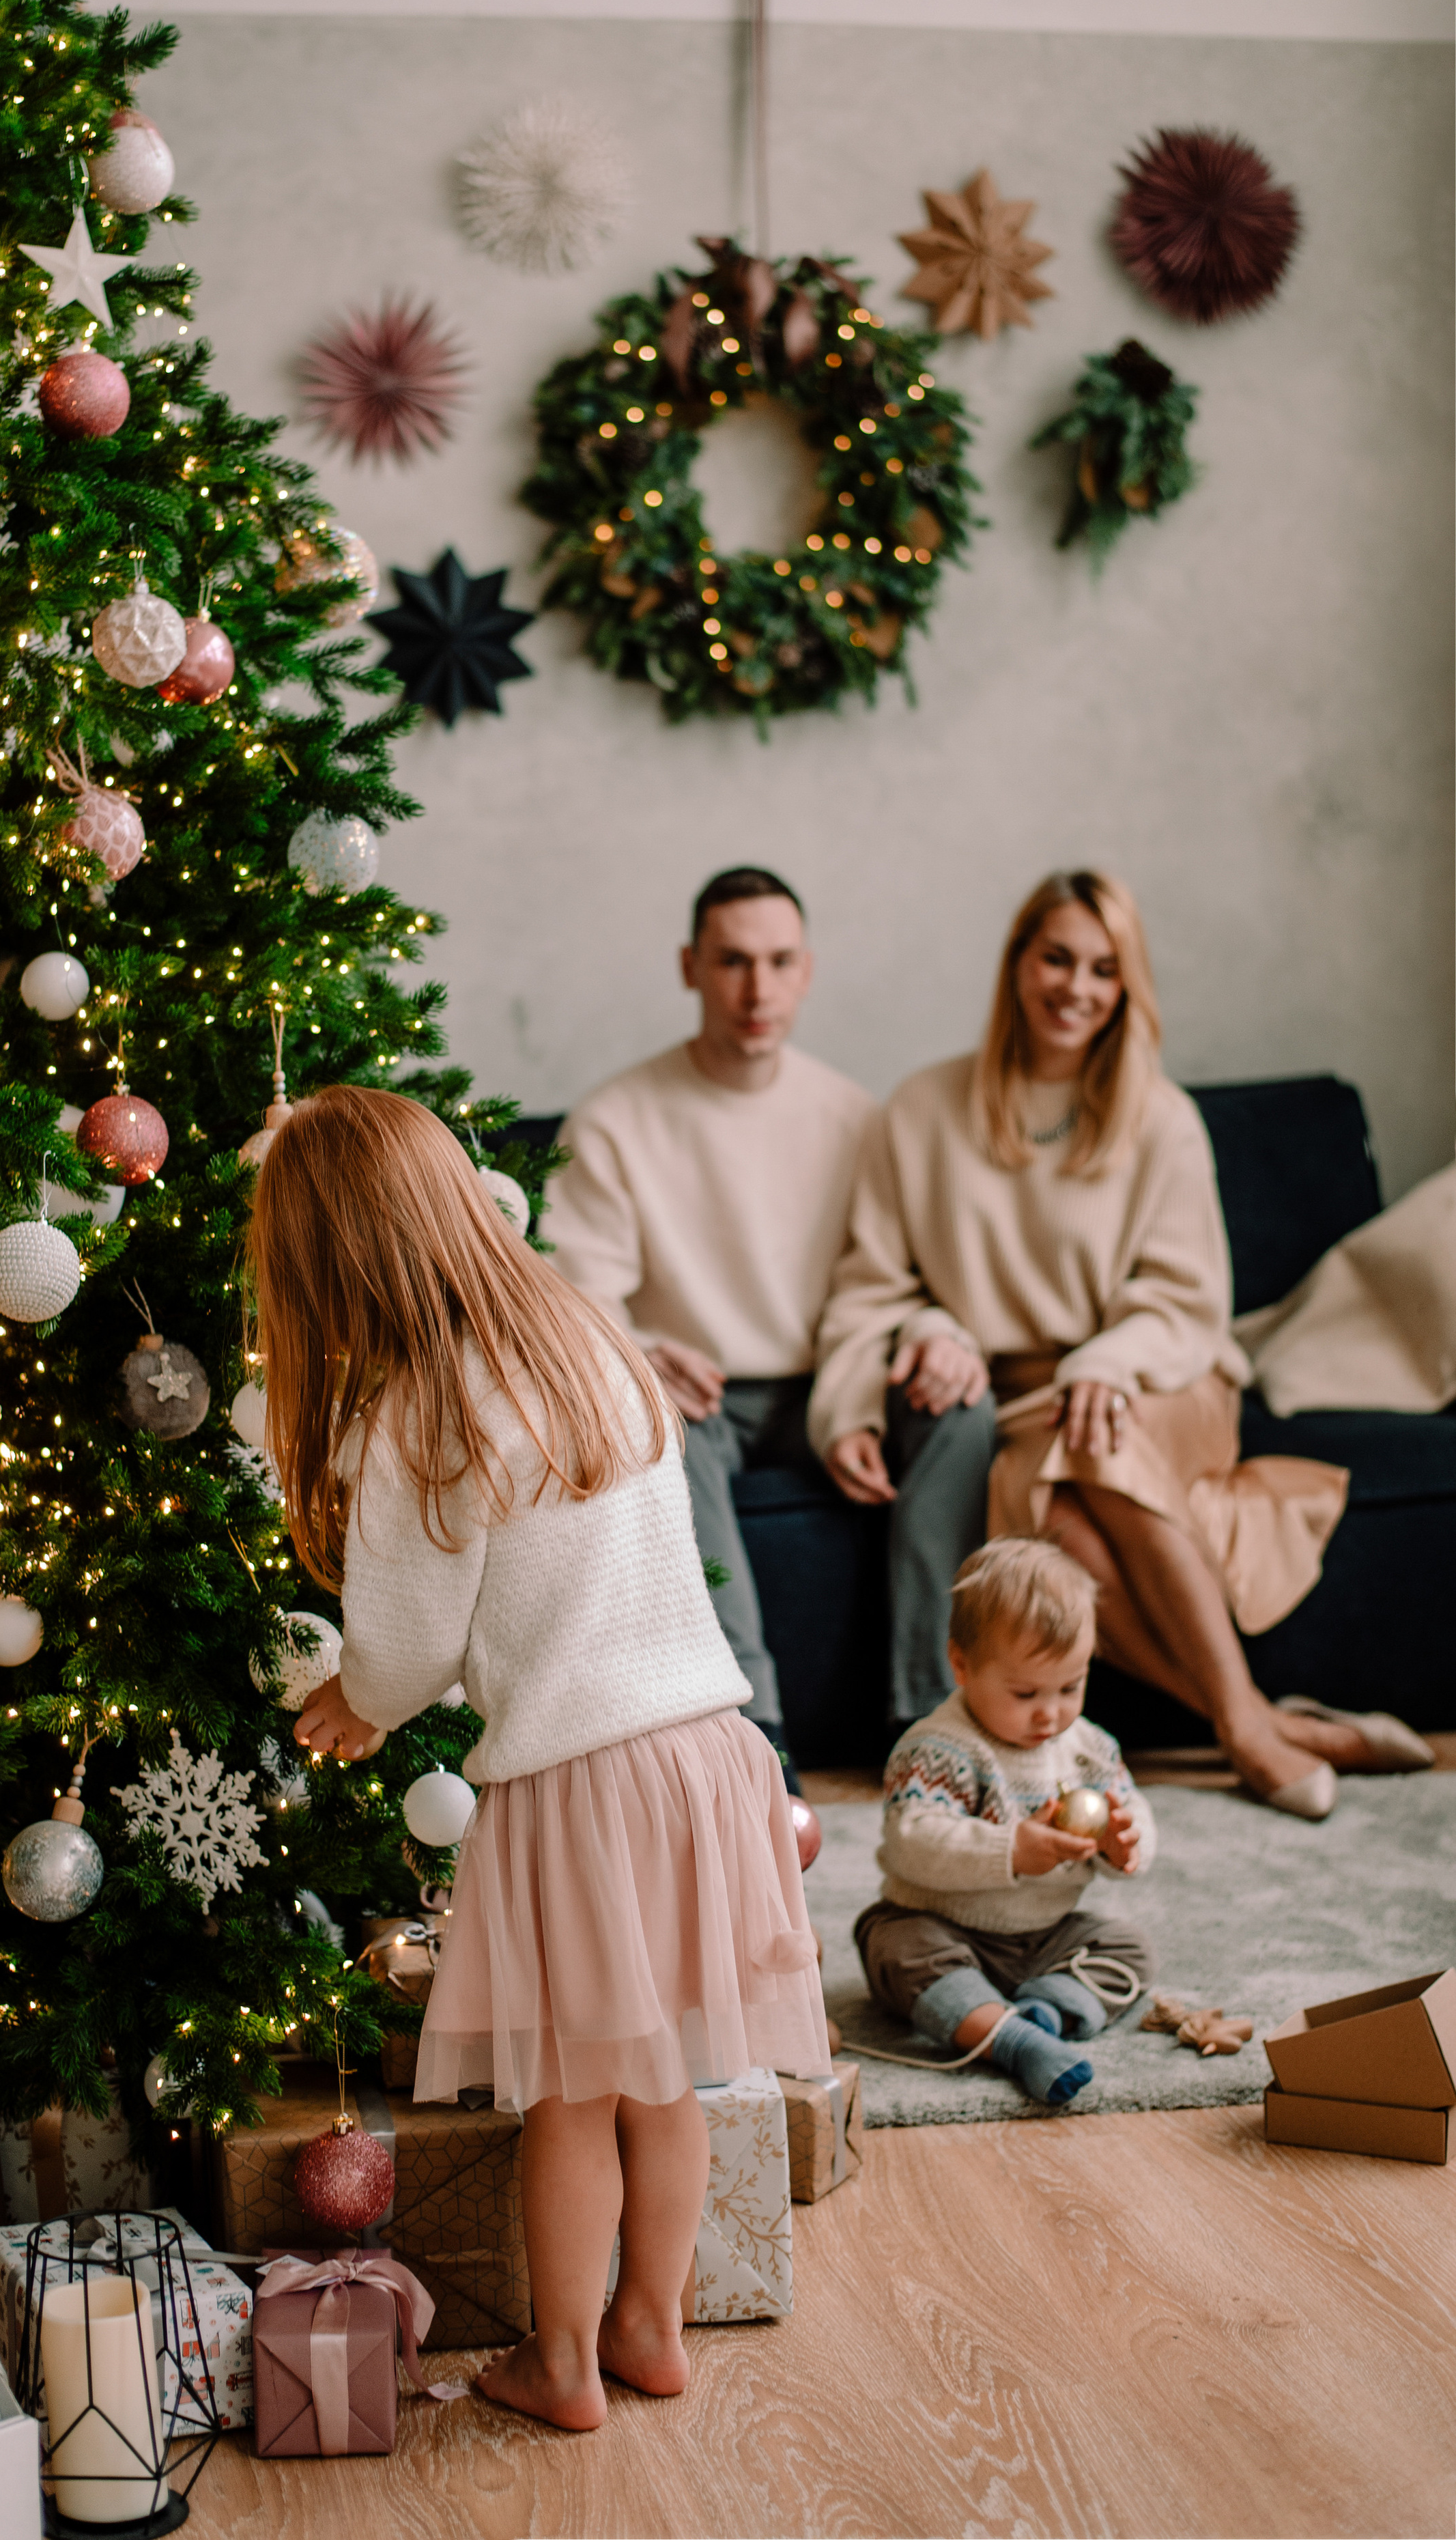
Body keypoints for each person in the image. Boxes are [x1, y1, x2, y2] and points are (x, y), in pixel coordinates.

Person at [251, 1084, 829, 2433]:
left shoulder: (410, 1418)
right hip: (703, 1752)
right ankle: (649, 2327)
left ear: (325, 1266)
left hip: (579, 1785)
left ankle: (561, 2362)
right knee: (665, 2078)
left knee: (567, 2100)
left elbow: (403, 1646)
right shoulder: (582, 1337)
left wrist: (357, 1699)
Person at [810, 868, 1409, 1821]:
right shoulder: (920, 1109)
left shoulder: (1160, 1117)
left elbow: (1187, 1300)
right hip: (1022, 1405)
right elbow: (874, 1285)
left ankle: (1249, 1733)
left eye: (1103, 967)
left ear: (1127, 986)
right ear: (1018, 962)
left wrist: (1107, 1359)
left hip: (1161, 1374)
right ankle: (1256, 1717)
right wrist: (922, 1336)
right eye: (1057, 957)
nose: (1075, 987)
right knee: (1062, 1517)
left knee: (1098, 1436)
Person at [546, 865, 995, 1768]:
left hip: (839, 1378)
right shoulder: (613, 1119)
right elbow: (568, 1295)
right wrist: (635, 1351)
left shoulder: (855, 1114)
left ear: (807, 970)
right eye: (733, 962)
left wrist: (935, 1335)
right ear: (691, 967)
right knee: (656, 1422)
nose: (758, 990)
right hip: (700, 1394)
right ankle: (756, 1733)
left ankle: (927, 1716)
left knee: (964, 1410)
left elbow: (898, 1277)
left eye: (779, 961)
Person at [855, 1538, 1154, 2108]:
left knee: (1128, 1946)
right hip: (944, 1923)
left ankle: (1046, 2009)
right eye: (1026, 1693)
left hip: (1045, 1936)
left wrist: (1124, 1843)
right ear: (961, 1665)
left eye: (1071, 1687)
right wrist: (1011, 1851)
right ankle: (1014, 2042)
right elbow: (911, 1843)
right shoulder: (939, 1749)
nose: (1051, 1712)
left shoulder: (1088, 1748)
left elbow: (1130, 1808)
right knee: (892, 1945)